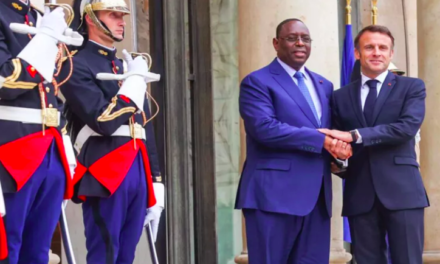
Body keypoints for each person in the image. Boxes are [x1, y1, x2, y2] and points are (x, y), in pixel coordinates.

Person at [235, 18, 351, 264]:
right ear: (276, 43)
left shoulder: (324, 85)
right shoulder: (257, 81)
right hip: (273, 198)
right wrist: (322, 141)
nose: (300, 43)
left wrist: (339, 155)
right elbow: (264, 128)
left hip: (317, 200)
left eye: (306, 39)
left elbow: (332, 131)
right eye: (292, 38)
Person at [59, 0, 164, 262]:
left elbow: (142, 124)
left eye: (123, 15)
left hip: (136, 169)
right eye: (113, 14)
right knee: (104, 254)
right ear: (91, 17)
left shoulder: (123, 65)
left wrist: (156, 179)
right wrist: (133, 83)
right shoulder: (75, 64)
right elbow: (102, 121)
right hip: (105, 168)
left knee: (127, 255)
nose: (122, 21)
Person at [321, 25, 429, 264]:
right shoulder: (339, 96)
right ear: (357, 53)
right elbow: (340, 146)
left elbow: (406, 128)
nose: (376, 52)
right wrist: (339, 156)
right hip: (360, 193)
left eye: (383, 48)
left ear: (391, 54)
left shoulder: (411, 87)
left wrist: (356, 135)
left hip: (403, 193)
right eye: (369, 47)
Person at [0, 2, 78, 263]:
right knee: (8, 249)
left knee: (38, 253)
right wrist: (46, 39)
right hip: (11, 150)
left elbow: (51, 88)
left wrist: (64, 139)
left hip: (50, 149)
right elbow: (5, 81)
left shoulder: (36, 17)